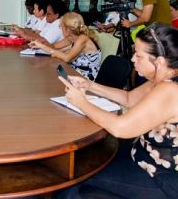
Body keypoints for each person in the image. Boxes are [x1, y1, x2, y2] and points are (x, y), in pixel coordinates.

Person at [56, 24, 178, 199]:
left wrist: (81, 103)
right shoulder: (164, 77)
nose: (133, 59)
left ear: (159, 62)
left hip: (160, 177)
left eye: (139, 55)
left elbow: (121, 128)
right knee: (84, 160)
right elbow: (128, 98)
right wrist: (89, 85)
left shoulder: (169, 90)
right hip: (142, 155)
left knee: (73, 179)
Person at [31, 12, 101, 80]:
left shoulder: (82, 39)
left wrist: (43, 46)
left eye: (61, 27)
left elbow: (67, 58)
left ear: (67, 29)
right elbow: (56, 49)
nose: (60, 29)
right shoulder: (72, 38)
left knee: (49, 77)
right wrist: (42, 45)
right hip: (75, 72)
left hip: (86, 78)